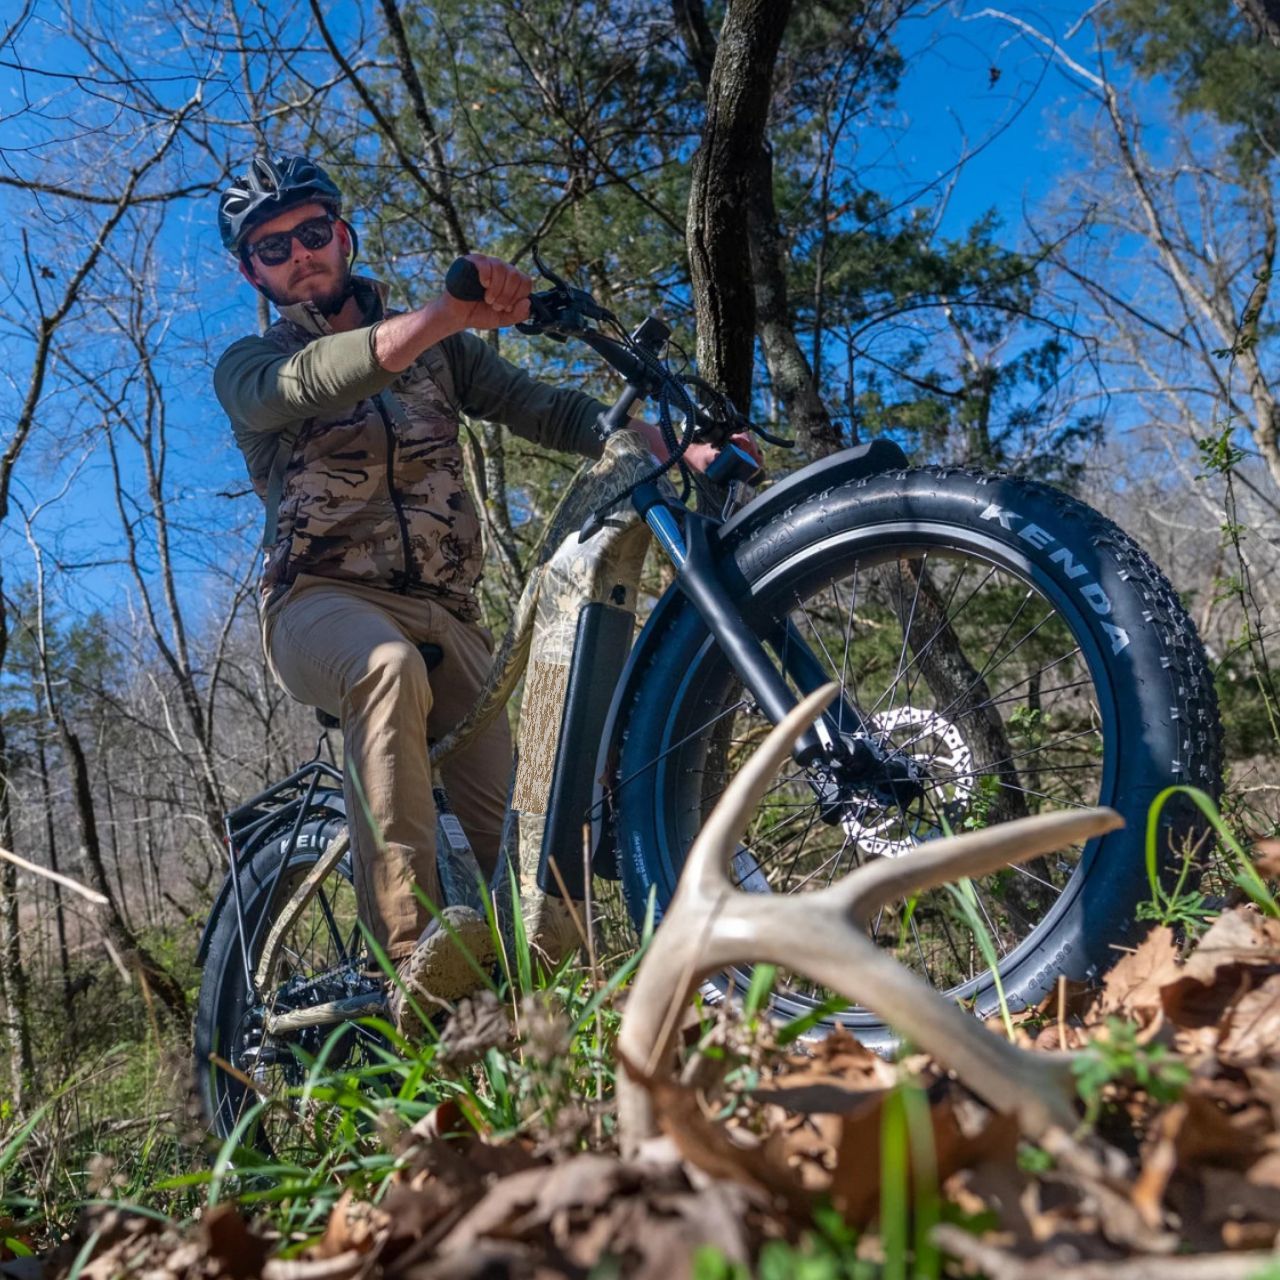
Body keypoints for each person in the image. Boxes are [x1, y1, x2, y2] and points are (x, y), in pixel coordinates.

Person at [213, 154, 728, 1030]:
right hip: (318, 604)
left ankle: (563, 1027)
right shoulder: (253, 364)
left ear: (343, 234)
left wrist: (666, 441)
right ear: (253, 272)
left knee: (527, 834)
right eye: (272, 248)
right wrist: (442, 313)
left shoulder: (443, 356)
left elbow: (547, 410)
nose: (298, 256)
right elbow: (322, 380)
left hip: (449, 614)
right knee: (382, 669)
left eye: (311, 233)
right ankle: (407, 962)